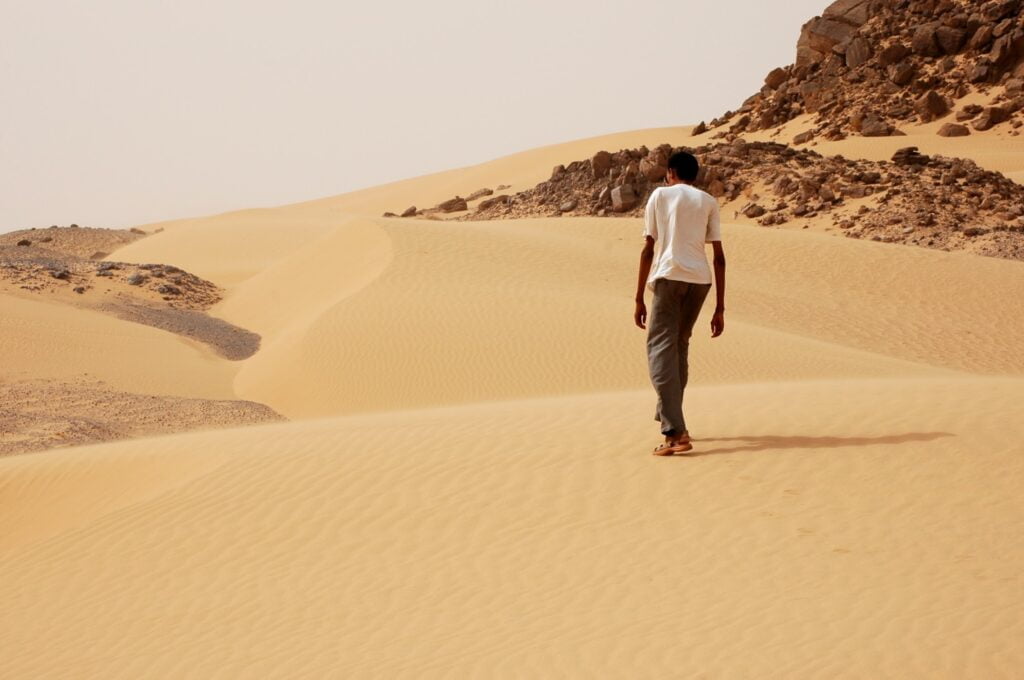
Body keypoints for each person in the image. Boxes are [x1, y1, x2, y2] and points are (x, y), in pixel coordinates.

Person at [633, 151, 726, 456]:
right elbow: (720, 257)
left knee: (659, 347)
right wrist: (720, 307)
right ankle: (671, 414)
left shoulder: (660, 195)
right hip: (700, 280)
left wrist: (638, 297)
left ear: (670, 172)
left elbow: (649, 248)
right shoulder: (708, 201)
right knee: (679, 345)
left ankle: (675, 432)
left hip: (670, 275)